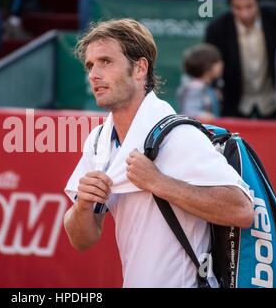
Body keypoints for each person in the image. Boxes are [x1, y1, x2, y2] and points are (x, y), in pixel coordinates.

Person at [64, 19, 254, 288]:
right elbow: (82, 240)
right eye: (90, 65)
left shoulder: (179, 135)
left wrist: (158, 183)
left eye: (105, 61)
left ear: (140, 68)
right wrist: (83, 205)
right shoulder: (99, 141)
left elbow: (242, 210)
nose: (93, 74)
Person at [205, 0, 276, 119]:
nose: (244, 13)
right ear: (230, 6)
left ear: (258, 2)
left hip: (273, 100)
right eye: (237, 7)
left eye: (249, 6)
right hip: (235, 101)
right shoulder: (217, 28)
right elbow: (211, 64)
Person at [177, 43, 223, 120]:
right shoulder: (195, 87)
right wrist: (206, 117)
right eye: (217, 61)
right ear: (207, 65)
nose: (221, 64)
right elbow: (188, 113)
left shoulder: (206, 87)